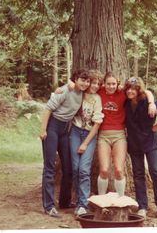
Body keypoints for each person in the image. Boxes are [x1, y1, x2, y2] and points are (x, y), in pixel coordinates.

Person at [40, 69, 90, 218]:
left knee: (68, 168)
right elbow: (48, 109)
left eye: (87, 81)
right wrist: (43, 130)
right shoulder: (65, 90)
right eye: (82, 80)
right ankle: (49, 206)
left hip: (65, 131)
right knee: (49, 168)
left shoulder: (83, 94)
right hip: (52, 128)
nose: (85, 83)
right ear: (75, 79)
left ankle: (64, 201)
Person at [97, 72, 157, 197]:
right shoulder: (100, 92)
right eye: (108, 84)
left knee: (119, 170)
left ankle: (120, 198)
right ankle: (101, 199)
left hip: (119, 135)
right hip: (103, 135)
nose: (111, 86)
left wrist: (151, 103)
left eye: (113, 84)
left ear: (117, 84)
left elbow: (145, 91)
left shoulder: (123, 93)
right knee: (104, 169)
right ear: (104, 84)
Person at [124, 76, 157, 221]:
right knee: (138, 175)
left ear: (139, 90)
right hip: (134, 144)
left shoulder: (148, 102)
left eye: (134, 89)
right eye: (128, 88)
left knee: (156, 172)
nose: (130, 91)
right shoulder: (125, 103)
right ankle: (142, 207)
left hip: (150, 142)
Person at [69, 70, 104, 217]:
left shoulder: (97, 99)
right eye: (92, 82)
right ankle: (76, 199)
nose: (95, 86)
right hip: (75, 132)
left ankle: (83, 204)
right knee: (75, 168)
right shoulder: (79, 93)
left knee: (84, 170)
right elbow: (68, 86)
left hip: (89, 135)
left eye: (98, 83)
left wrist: (85, 143)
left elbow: (96, 124)